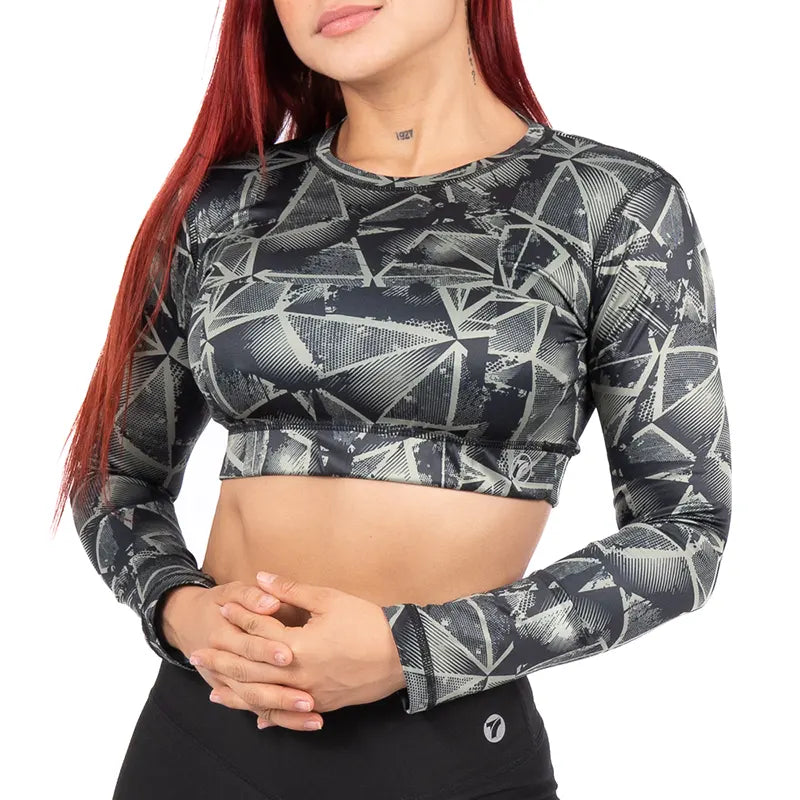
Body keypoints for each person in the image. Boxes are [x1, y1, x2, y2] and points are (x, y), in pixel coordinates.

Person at [54, 1, 733, 798]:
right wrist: (181, 611)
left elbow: (685, 534)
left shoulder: (610, 205)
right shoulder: (224, 204)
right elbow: (112, 474)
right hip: (204, 737)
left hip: (448, 758)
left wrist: (412, 649)